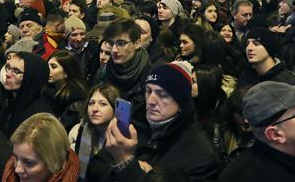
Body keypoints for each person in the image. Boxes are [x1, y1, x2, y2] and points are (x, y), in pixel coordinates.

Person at [90, 63, 221, 181]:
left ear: (181, 102)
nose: (151, 101)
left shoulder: (201, 156)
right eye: (148, 91)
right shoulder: (135, 126)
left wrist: (126, 163)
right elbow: (94, 170)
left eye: (162, 94)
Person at [94, 18, 152, 131]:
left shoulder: (150, 76)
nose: (114, 50)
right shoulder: (103, 72)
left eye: (121, 43)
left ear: (137, 43)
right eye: (111, 43)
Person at [2, 112, 81, 182]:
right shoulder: (9, 176)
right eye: (15, 158)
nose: (17, 169)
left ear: (54, 164)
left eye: (29, 163)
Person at [68, 83, 120, 181]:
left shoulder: (121, 138)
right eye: (91, 103)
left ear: (115, 109)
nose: (94, 109)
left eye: (103, 104)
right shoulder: (84, 130)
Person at [0, 51, 51, 136]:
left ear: (31, 78)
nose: (8, 74)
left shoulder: (39, 119)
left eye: (16, 71)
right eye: (8, 68)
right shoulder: (10, 100)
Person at [44, 50, 88, 131]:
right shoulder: (46, 90)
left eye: (53, 67)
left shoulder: (76, 97)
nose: (47, 70)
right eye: (47, 66)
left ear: (66, 72)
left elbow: (64, 126)